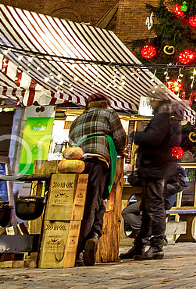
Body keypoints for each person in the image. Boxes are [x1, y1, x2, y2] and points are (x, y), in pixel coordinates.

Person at [67, 93, 128, 266]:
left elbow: (71, 141)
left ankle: (93, 234)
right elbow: (120, 139)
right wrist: (118, 149)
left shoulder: (77, 120)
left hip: (78, 163)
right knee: (93, 202)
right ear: (105, 104)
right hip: (98, 161)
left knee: (84, 202)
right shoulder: (109, 114)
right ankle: (82, 245)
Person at [123, 98, 181, 260]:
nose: (152, 104)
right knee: (148, 209)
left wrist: (137, 135)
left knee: (154, 208)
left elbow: (154, 139)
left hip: (155, 169)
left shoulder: (162, 119)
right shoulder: (170, 120)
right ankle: (140, 245)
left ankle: (156, 245)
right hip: (156, 168)